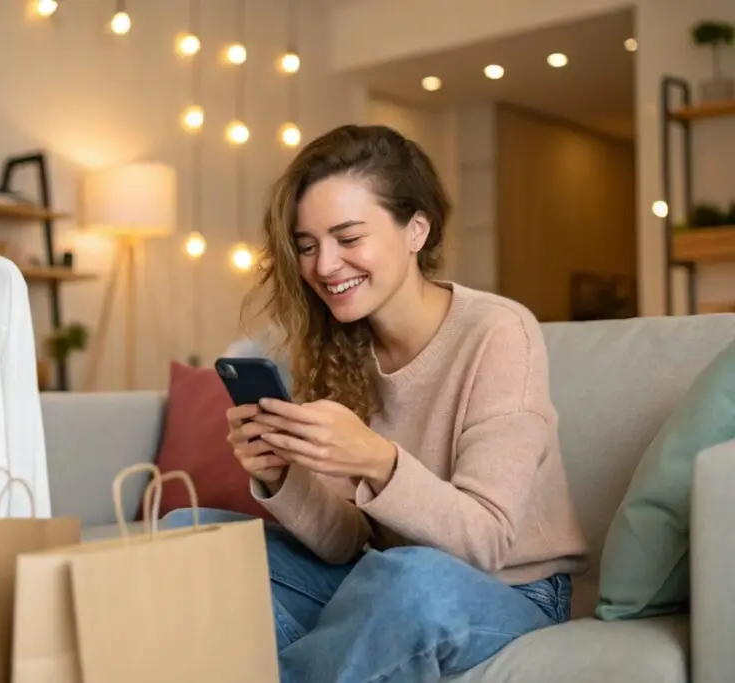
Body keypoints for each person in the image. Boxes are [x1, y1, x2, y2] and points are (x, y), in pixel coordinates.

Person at [162, 124, 589, 683]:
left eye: (348, 237)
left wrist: (376, 461)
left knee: (412, 580)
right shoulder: (338, 346)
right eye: (308, 245)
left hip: (508, 589)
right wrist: (283, 473)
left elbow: (484, 541)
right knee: (188, 534)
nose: (323, 265)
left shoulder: (499, 333)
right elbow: (346, 546)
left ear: (416, 230)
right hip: (376, 577)